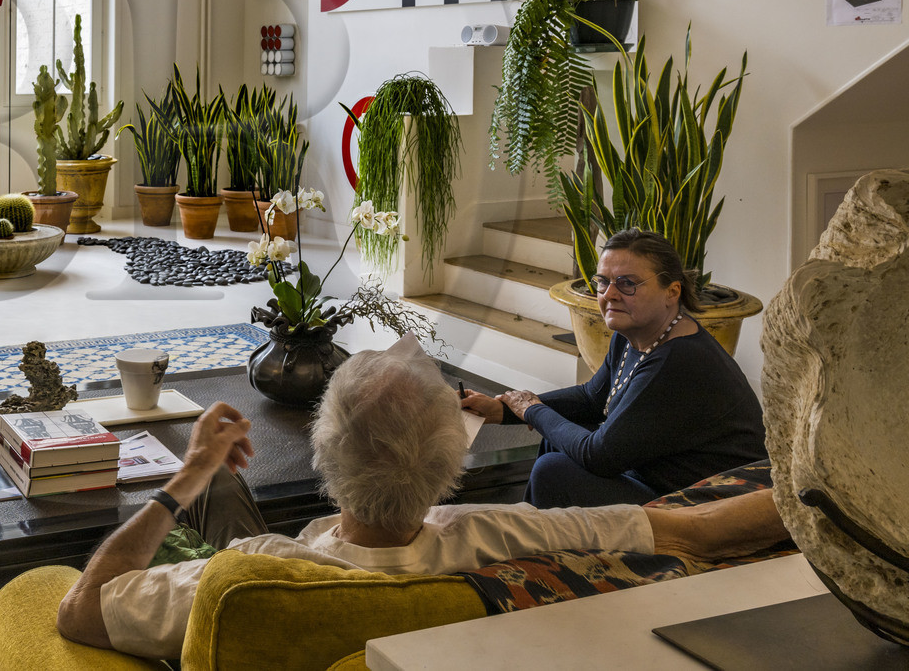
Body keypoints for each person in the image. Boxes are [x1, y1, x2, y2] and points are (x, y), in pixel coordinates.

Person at [56, 336, 788, 661]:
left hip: (270, 591)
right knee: (225, 484)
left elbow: (80, 608)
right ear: (448, 465)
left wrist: (183, 477)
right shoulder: (499, 537)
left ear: (322, 450)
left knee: (212, 483)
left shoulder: (242, 571)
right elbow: (701, 529)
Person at [462, 228, 767, 509]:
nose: (609, 294)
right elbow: (591, 399)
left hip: (702, 502)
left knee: (553, 471)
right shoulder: (633, 335)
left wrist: (531, 410)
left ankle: (534, 547)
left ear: (672, 292)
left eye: (627, 283)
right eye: (603, 282)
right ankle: (534, 538)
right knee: (556, 441)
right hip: (655, 476)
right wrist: (502, 411)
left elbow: (600, 456)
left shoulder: (680, 359)